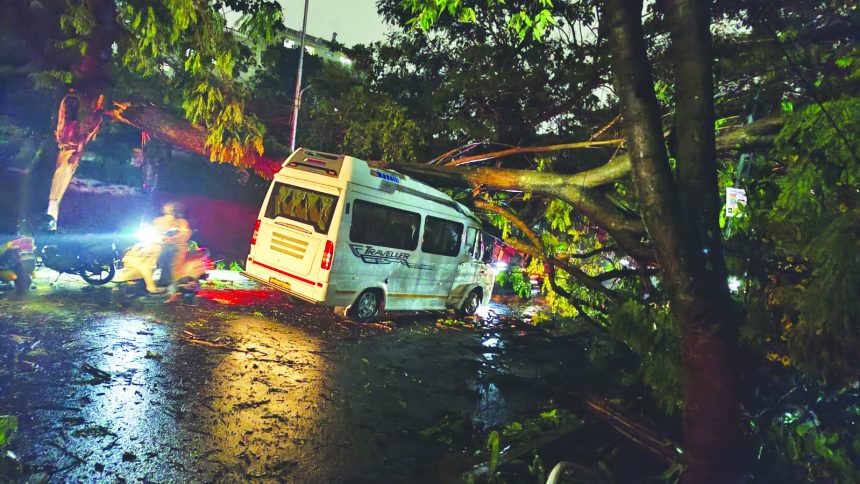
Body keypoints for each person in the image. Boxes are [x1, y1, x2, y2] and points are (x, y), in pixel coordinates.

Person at [152, 202, 191, 300]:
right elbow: (151, 230)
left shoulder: (181, 222)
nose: (169, 209)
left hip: (175, 246)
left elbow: (185, 233)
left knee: (169, 255)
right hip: (158, 244)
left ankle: (169, 284)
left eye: (172, 208)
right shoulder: (158, 220)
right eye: (168, 207)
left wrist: (173, 238)